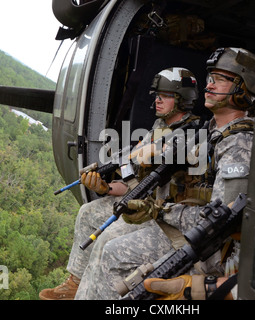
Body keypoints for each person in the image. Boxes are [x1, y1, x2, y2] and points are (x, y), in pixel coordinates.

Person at [83, 47, 255, 300]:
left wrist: (160, 210)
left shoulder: (239, 143)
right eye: (210, 78)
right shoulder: (210, 131)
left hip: (209, 251)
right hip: (183, 226)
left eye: (220, 80)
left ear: (243, 89)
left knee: (115, 254)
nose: (209, 86)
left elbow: (220, 223)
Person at [39, 67, 200, 300]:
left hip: (162, 213)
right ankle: (75, 283)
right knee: (88, 212)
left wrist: (135, 155)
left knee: (107, 238)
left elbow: (151, 157)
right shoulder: (158, 128)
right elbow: (135, 180)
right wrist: (104, 187)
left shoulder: (192, 133)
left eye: (164, 96)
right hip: (143, 201)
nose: (157, 100)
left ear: (182, 100)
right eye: (156, 95)